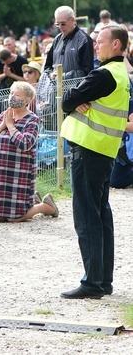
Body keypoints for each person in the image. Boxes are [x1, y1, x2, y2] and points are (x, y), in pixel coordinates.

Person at [59, 25, 129, 299]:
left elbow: (66, 100)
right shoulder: (121, 74)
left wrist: (75, 101)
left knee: (87, 218)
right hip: (104, 151)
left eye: (100, 41)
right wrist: (77, 100)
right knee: (101, 217)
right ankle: (103, 281)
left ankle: (92, 283)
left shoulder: (103, 74)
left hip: (88, 150)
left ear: (115, 45)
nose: (95, 45)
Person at [0, 82, 57, 222]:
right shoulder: (5, 115)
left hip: (20, 173)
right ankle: (33, 201)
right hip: (1, 172)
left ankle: (46, 206)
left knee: (14, 219)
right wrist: (2, 125)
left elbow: (25, 143)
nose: (12, 97)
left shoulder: (33, 120)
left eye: (17, 95)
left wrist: (10, 126)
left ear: (27, 100)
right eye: (11, 93)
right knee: (1, 217)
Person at [43, 5, 94, 80]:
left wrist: (63, 76)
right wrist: (51, 75)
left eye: (63, 23)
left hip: (76, 89)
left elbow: (87, 71)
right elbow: (47, 67)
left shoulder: (84, 40)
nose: (60, 27)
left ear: (73, 20)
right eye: (57, 24)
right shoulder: (57, 39)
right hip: (55, 89)